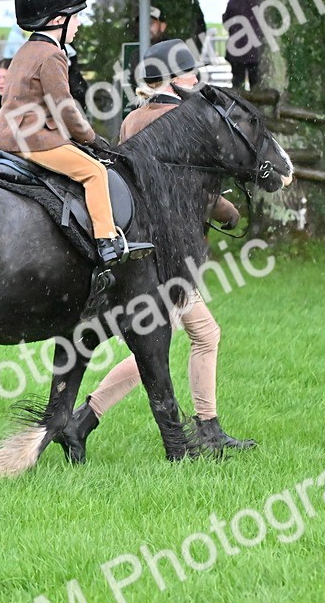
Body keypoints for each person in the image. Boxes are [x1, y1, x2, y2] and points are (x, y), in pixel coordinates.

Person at [57, 38, 254, 461]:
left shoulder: (132, 119)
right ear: (170, 79)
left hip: (140, 244)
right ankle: (204, 429)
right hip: (169, 251)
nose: (197, 79)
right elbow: (187, 186)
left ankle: (86, 420)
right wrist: (226, 210)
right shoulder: (179, 118)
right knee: (190, 337)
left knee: (178, 337)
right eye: (189, 73)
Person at [0, 0, 154, 268]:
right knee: (94, 171)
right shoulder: (52, 55)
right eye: (75, 16)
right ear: (57, 20)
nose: (78, 24)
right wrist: (91, 139)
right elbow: (65, 108)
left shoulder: (25, 51)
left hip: (6, 135)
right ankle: (108, 243)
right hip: (33, 138)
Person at [222, 0, 264, 90]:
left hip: (237, 50)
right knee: (255, 82)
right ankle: (255, 105)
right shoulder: (258, 1)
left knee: (237, 83)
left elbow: (226, 23)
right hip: (255, 49)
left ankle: (238, 105)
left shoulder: (232, 2)